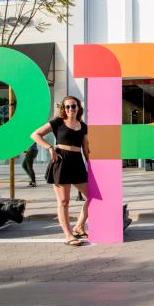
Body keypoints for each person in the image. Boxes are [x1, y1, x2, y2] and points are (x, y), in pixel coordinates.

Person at [31, 96, 90, 247]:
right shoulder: (57, 122)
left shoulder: (83, 126)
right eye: (68, 106)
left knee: (93, 196)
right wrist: (50, 148)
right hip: (61, 161)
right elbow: (35, 135)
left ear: (78, 108)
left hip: (77, 162)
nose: (71, 109)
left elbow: (86, 149)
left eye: (73, 106)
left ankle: (79, 226)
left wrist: (93, 165)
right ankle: (68, 235)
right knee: (64, 201)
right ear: (63, 109)